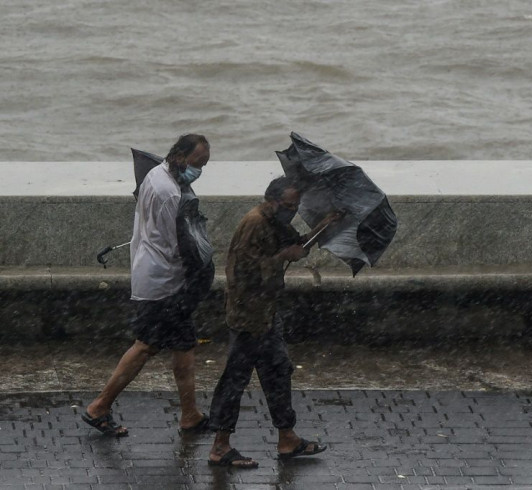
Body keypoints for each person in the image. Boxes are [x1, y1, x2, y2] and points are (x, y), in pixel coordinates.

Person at [82, 134, 214, 437]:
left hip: (159, 276)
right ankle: (99, 406)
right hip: (163, 282)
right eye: (198, 163)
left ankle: (190, 414)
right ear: (180, 156)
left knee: (182, 346)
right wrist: (198, 270)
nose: (201, 169)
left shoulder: (155, 174)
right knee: (145, 346)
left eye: (205, 163)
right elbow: (177, 244)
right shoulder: (170, 194)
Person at [207, 176, 341, 468]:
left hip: (267, 313)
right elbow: (244, 271)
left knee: (278, 371)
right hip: (248, 315)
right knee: (235, 379)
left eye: (295, 206)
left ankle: (287, 438)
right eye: (288, 205)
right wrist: (282, 256)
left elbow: (297, 244)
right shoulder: (254, 223)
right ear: (272, 199)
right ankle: (220, 446)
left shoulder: (275, 221)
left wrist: (323, 226)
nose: (292, 210)